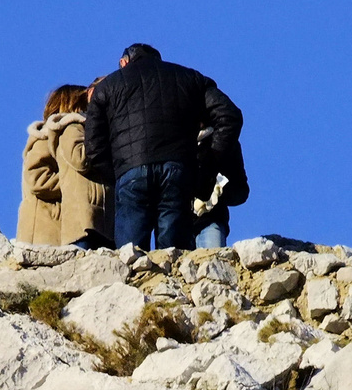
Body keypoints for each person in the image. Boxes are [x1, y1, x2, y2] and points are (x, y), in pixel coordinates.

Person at [84, 44, 242, 250]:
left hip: (130, 172)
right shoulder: (190, 78)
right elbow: (229, 116)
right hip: (177, 171)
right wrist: (206, 164)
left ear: (124, 62)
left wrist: (118, 173)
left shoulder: (106, 87)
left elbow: (94, 148)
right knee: (173, 252)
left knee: (129, 254)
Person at [15, 85, 114, 248]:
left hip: (57, 228)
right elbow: (37, 180)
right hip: (43, 229)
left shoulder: (61, 135)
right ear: (73, 104)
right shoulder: (44, 138)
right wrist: (74, 182)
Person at [191, 125, 249, 249]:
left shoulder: (225, 141)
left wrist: (219, 190)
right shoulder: (174, 139)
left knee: (213, 264)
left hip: (211, 221)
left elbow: (241, 191)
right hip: (177, 225)